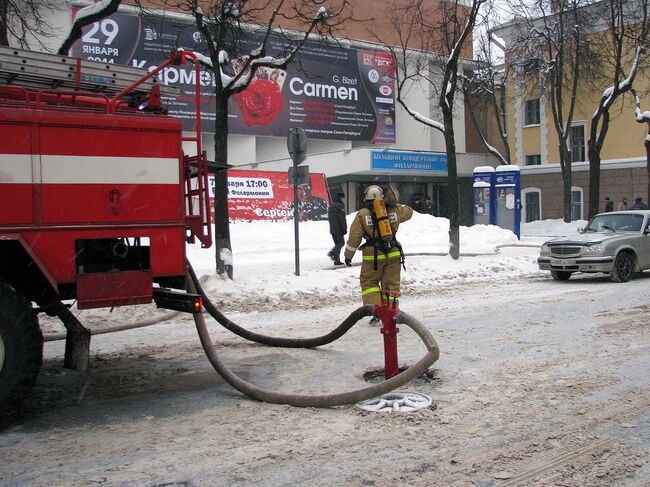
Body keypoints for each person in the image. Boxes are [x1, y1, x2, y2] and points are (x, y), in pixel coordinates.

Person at [344, 184, 413, 324]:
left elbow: (354, 236)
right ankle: (391, 312)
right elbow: (409, 212)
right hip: (393, 253)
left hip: (373, 256)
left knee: (370, 283)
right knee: (391, 285)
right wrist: (394, 203)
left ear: (366, 197)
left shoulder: (363, 214)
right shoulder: (394, 210)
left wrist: (348, 256)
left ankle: (376, 312)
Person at [327, 193, 347, 266]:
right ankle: (332, 253)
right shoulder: (339, 206)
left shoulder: (331, 206)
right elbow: (342, 219)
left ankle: (337, 260)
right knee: (341, 243)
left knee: (337, 244)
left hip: (332, 228)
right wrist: (344, 228)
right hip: (338, 228)